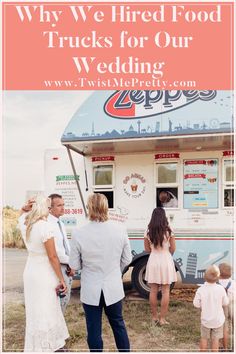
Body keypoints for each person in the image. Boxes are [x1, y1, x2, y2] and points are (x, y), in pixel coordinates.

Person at [69, 193, 132, 352]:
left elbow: (74, 264)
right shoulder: (120, 229)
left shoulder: (78, 232)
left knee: (93, 329)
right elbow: (127, 259)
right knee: (118, 323)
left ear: (89, 208)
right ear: (106, 208)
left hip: (91, 286)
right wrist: (115, 272)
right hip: (113, 285)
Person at [18, 195, 69, 352]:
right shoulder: (45, 227)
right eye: (47, 208)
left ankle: (38, 345)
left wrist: (23, 208)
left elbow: (20, 217)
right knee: (47, 308)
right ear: (42, 208)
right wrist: (62, 279)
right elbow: (53, 257)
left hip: (31, 271)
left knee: (35, 309)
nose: (49, 211)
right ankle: (48, 345)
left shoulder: (26, 225)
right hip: (44, 273)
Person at [21, 193, 73, 313]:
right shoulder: (47, 225)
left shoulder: (61, 223)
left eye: (63, 204)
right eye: (59, 205)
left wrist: (71, 263)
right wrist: (71, 263)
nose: (63, 208)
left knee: (64, 301)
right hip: (57, 267)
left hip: (66, 266)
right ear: (50, 208)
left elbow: (65, 246)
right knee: (58, 304)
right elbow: (55, 252)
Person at [144, 207, 177, 326]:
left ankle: (154, 317)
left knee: (153, 290)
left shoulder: (148, 231)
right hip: (166, 259)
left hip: (153, 260)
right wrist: (166, 253)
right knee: (165, 291)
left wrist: (154, 250)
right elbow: (173, 248)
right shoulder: (169, 230)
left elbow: (147, 249)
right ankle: (162, 319)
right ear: (164, 217)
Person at [193, 265, 229, 352]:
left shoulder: (200, 289)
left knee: (204, 338)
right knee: (215, 340)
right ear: (218, 278)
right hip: (218, 320)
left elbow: (196, 304)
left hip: (206, 320)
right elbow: (226, 302)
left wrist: (202, 305)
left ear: (204, 277)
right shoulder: (221, 289)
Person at [218, 263, 235, 351]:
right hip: (233, 306)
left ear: (219, 274)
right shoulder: (233, 283)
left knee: (224, 328)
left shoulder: (216, 284)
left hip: (222, 307)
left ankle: (224, 347)